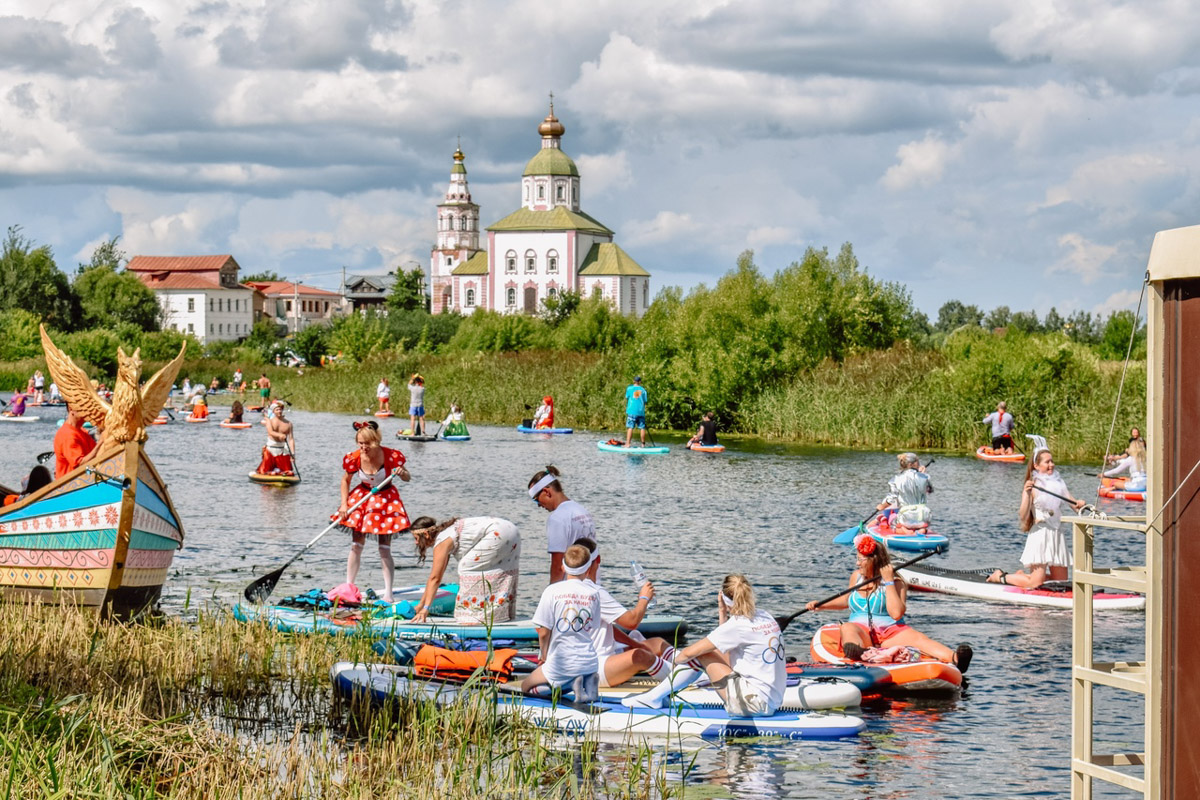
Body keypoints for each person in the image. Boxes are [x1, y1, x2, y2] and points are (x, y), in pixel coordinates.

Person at [623, 574, 787, 714]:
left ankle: (653, 697)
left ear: (723, 597)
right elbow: (727, 646)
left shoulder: (737, 625)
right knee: (708, 653)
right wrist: (722, 613)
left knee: (700, 654)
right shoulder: (765, 616)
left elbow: (688, 653)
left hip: (754, 705)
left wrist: (675, 664)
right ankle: (661, 695)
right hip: (773, 700)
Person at [809, 535, 973, 671]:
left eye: (861, 559)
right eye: (857, 559)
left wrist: (888, 582)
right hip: (862, 633)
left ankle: (955, 658)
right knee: (847, 628)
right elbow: (847, 600)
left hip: (890, 634)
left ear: (873, 560)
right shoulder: (856, 577)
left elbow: (896, 613)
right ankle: (857, 652)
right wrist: (821, 605)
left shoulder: (896, 582)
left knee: (918, 638)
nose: (857, 563)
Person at [575, 538, 676, 688]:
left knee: (655, 644)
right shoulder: (595, 591)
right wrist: (644, 598)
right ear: (598, 560)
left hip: (585, 661)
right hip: (594, 669)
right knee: (640, 656)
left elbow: (606, 626)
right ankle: (684, 677)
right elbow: (631, 622)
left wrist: (633, 643)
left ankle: (686, 666)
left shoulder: (561, 589)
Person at [988, 446, 1088, 589]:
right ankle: (1001, 576)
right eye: (1047, 462)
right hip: (1041, 534)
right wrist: (1027, 493)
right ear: (1036, 465)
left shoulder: (1059, 483)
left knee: (1060, 583)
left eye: (1052, 461)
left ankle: (1021, 576)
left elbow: (1074, 505)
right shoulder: (1033, 485)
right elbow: (1022, 515)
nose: (1051, 465)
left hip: (1057, 534)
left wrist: (1081, 504)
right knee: (1035, 583)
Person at [334, 420, 411, 601]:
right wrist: (344, 505)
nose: (363, 447)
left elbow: (408, 478)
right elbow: (345, 481)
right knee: (356, 545)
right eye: (360, 443)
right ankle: (349, 587)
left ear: (376, 440)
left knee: (384, 549)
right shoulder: (354, 457)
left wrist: (402, 473)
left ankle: (389, 594)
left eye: (367, 443)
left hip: (386, 499)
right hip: (363, 498)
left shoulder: (391, 456)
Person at [520, 543, 602, 703]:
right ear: (587, 570)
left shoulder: (552, 590)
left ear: (563, 568)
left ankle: (572, 683)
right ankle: (587, 682)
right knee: (555, 681)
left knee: (526, 687)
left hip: (562, 662)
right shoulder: (594, 593)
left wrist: (544, 656)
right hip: (590, 661)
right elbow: (593, 627)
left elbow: (543, 631)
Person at [408, 515, 521, 623]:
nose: (416, 542)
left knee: (465, 567)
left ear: (426, 534)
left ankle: (472, 618)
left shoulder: (442, 542)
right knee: (503, 568)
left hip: (497, 532)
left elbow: (435, 578)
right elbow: (436, 576)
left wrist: (426, 609)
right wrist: (420, 605)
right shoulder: (446, 534)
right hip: (511, 530)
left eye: (416, 538)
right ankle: (501, 615)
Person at [528, 465, 597, 583]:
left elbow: (558, 565)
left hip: (570, 592)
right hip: (591, 587)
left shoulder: (557, 518)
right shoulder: (581, 510)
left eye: (536, 499)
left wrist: (552, 592)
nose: (538, 505)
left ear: (546, 492)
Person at [876, 453, 933, 532]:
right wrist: (923, 474)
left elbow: (892, 498)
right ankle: (921, 530)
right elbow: (930, 490)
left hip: (906, 517)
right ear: (910, 464)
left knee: (892, 524)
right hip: (924, 516)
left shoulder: (895, 479)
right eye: (917, 462)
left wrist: (882, 506)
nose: (919, 464)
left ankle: (906, 531)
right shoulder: (925, 477)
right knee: (921, 525)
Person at [53, 404, 98, 478]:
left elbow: (97, 454)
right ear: (71, 408)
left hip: (86, 482)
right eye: (83, 407)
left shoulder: (82, 431)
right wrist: (101, 441)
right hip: (70, 486)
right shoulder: (67, 434)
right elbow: (80, 465)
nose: (87, 411)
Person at [256, 400, 295, 475]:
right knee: (263, 471)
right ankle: (270, 472)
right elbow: (270, 432)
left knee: (289, 472)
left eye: (280, 409)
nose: (279, 411)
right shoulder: (269, 421)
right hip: (271, 448)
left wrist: (293, 454)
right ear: (273, 411)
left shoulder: (289, 424)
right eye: (277, 410)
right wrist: (280, 435)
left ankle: (282, 472)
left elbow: (291, 439)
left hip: (283, 449)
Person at [623, 376, 648, 448]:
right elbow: (645, 401)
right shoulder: (643, 390)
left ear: (633, 381)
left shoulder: (629, 388)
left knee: (630, 427)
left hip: (631, 411)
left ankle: (628, 444)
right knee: (642, 428)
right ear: (640, 382)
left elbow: (627, 398)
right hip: (640, 412)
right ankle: (643, 444)